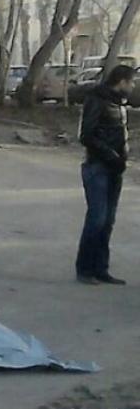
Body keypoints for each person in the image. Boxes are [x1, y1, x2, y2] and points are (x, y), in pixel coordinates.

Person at [75, 64, 136, 286]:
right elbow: (87, 135)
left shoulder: (118, 103)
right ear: (121, 81)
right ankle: (85, 269)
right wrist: (111, 156)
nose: (133, 86)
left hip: (114, 169)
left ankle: (101, 269)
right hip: (97, 167)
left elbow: (119, 134)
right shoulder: (97, 99)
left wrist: (122, 157)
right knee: (97, 218)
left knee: (108, 221)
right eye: (131, 82)